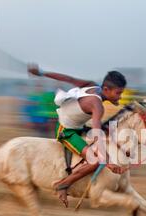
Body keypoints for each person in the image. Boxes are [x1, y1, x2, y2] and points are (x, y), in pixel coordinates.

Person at [28, 64, 127, 207]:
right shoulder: (97, 105)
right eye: (118, 93)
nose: (120, 96)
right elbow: (97, 133)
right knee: (95, 161)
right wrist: (108, 161)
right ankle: (63, 185)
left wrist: (42, 73)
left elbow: (67, 78)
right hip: (66, 131)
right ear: (106, 89)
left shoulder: (92, 85)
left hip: (78, 126)